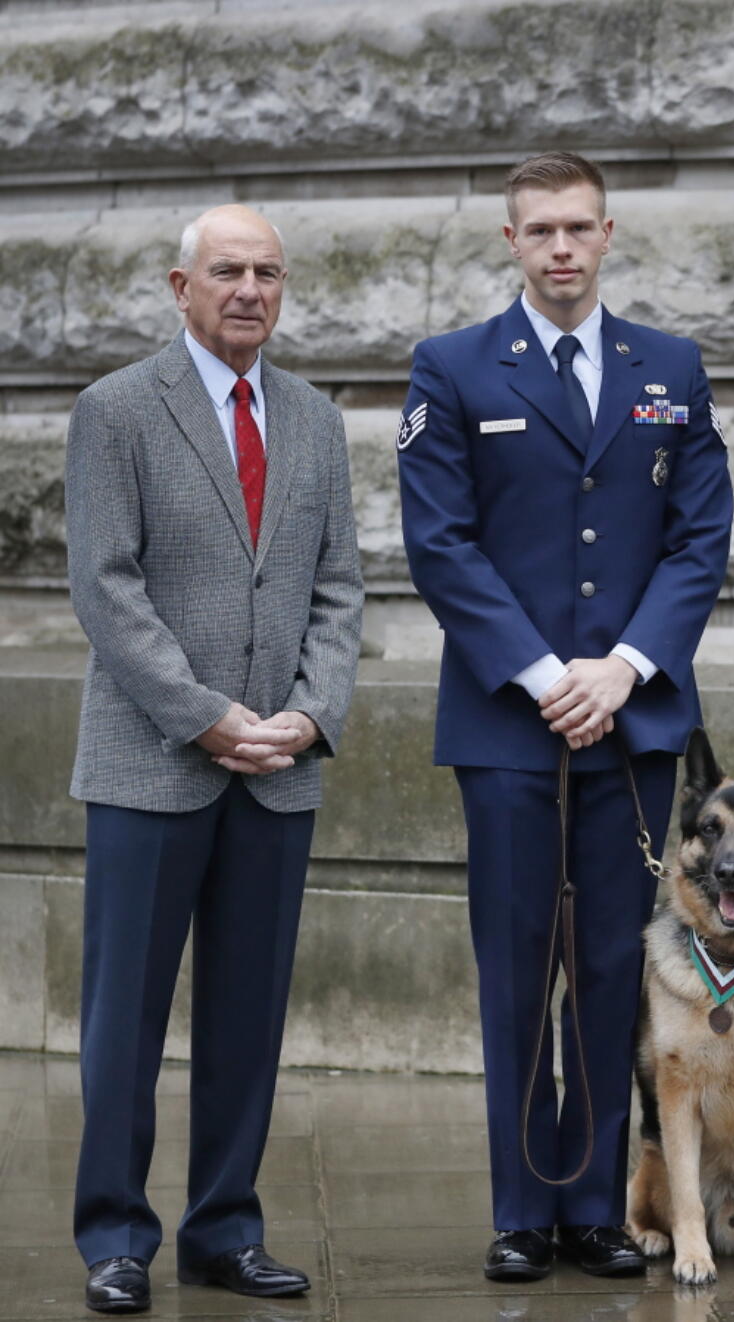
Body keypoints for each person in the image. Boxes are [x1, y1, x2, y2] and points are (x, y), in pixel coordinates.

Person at [398, 151, 733, 1282]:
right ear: (509, 241)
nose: (559, 248)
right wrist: (546, 675)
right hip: (506, 726)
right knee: (514, 971)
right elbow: (439, 543)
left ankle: (591, 1204)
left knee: (605, 972)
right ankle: (517, 1206)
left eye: (577, 228)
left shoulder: (668, 367)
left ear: (605, 234)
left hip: (629, 728)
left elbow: (699, 537)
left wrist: (625, 666)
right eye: (538, 230)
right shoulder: (450, 369)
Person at [64, 204, 363, 1313]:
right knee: (124, 1016)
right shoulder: (115, 410)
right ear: (178, 285)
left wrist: (311, 712)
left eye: (267, 272)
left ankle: (223, 1229)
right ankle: (115, 1235)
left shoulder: (316, 420)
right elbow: (104, 584)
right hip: (154, 761)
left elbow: (339, 588)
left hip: (279, 768)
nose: (249, 289)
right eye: (226, 270)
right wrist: (203, 714)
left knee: (249, 1011)